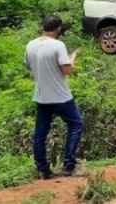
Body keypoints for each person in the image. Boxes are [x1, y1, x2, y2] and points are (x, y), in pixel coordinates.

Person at [25, 15, 83, 178]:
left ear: (43, 27)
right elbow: (66, 71)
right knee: (76, 124)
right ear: (58, 29)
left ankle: (43, 169)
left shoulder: (30, 45)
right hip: (61, 96)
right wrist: (73, 58)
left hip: (41, 96)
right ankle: (68, 165)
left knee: (40, 134)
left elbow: (29, 66)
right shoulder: (58, 45)